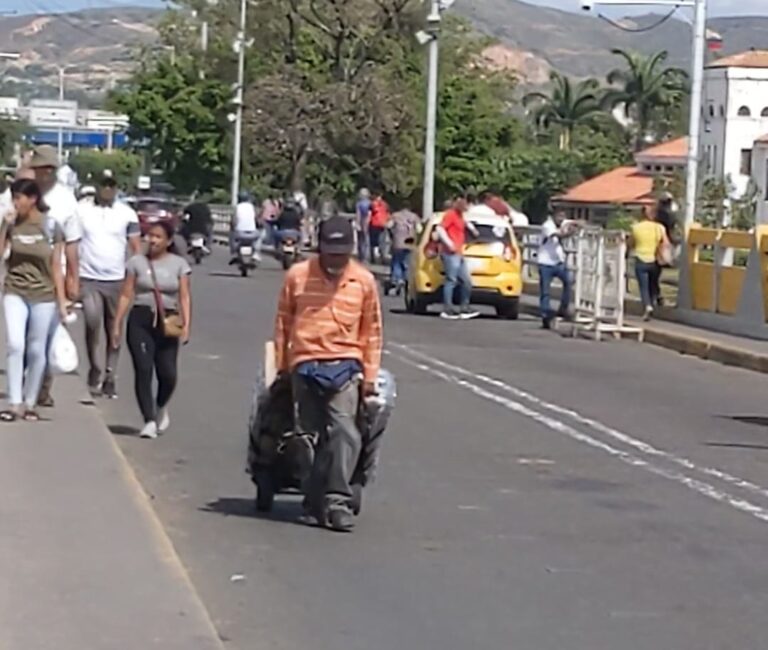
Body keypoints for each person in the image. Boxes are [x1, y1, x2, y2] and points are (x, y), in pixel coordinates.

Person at [274, 216, 383, 533]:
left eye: (342, 253)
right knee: (306, 436)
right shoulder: (298, 276)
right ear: (319, 247)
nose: (335, 260)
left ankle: (337, 500)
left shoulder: (363, 281)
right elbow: (283, 323)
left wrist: (371, 376)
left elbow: (372, 331)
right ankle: (312, 498)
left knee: (343, 431)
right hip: (305, 363)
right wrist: (282, 367)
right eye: (330, 252)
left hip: (346, 364)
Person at [112, 221, 192, 439]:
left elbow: (184, 296)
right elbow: (126, 294)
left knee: (168, 374)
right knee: (144, 368)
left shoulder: (179, 264)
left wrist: (186, 325)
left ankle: (160, 406)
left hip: (169, 319)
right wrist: (117, 323)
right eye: (150, 236)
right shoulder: (136, 263)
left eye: (158, 237)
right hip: (140, 318)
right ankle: (148, 420)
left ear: (168, 241)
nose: (152, 240)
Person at [0, 179, 68, 422]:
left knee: (38, 349)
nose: (15, 203)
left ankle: (30, 402)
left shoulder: (50, 226)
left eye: (19, 198)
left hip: (44, 295)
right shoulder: (11, 224)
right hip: (15, 290)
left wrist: (62, 301)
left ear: (33, 199)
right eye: (13, 198)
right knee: (16, 345)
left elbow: (56, 267)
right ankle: (14, 402)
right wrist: (4, 227)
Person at [78, 174, 142, 398]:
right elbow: (72, 242)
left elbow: (136, 247)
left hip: (117, 279)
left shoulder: (127, 214)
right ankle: (94, 366)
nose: (107, 190)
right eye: (103, 185)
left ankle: (110, 375)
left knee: (114, 330)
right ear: (96, 187)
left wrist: (139, 275)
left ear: (116, 189)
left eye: (111, 185)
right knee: (92, 321)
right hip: (88, 277)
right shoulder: (82, 210)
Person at [29, 145, 82, 407]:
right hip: (24, 271)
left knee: (48, 330)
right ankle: (29, 381)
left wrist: (73, 277)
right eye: (41, 168)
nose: (45, 173)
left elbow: (72, 243)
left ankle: (43, 385)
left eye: (50, 168)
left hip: (55, 274)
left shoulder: (66, 200)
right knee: (27, 333)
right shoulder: (21, 193)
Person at [435, 195, 480, 320]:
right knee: (451, 280)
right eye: (463, 202)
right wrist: (449, 243)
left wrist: (472, 229)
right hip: (450, 253)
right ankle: (447, 308)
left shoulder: (460, 216)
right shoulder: (450, 214)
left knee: (467, 281)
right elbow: (440, 228)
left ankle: (464, 307)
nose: (465, 205)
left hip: (459, 253)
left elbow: (465, 225)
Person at [630, 205, 669, 321]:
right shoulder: (659, 228)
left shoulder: (636, 228)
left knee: (643, 286)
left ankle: (647, 306)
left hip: (641, 259)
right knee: (653, 284)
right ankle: (653, 301)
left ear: (642, 214)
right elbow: (666, 243)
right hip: (655, 261)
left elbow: (630, 243)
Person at [538, 209, 572, 329]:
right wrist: (568, 233)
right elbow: (557, 235)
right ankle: (545, 314)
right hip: (545, 262)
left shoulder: (562, 223)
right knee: (545, 291)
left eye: (563, 216)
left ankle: (563, 308)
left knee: (569, 281)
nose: (561, 219)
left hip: (558, 262)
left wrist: (577, 224)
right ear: (553, 216)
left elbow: (573, 222)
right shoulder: (547, 225)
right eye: (559, 216)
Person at [388, 205, 420, 295]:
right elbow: (419, 229)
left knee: (396, 262)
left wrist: (392, 234)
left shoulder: (395, 216)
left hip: (398, 243)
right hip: (410, 243)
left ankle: (397, 280)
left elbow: (388, 225)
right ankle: (407, 280)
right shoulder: (414, 217)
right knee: (408, 263)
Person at [230, 191, 259, 263]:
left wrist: (232, 227)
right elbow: (256, 218)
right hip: (252, 233)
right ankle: (256, 253)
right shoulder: (252, 207)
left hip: (240, 233)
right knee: (258, 238)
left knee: (232, 237)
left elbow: (234, 220)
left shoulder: (237, 207)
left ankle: (234, 252)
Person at [369, 193, 390, 264]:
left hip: (374, 224)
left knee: (373, 242)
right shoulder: (385, 204)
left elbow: (371, 211)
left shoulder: (373, 204)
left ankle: (373, 258)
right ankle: (382, 257)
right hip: (383, 224)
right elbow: (387, 213)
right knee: (382, 242)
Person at [356, 188, 372, 261]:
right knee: (367, 239)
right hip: (370, 223)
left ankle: (362, 256)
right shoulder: (371, 203)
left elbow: (358, 215)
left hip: (362, 222)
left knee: (361, 240)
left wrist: (357, 224)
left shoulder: (359, 204)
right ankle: (368, 256)